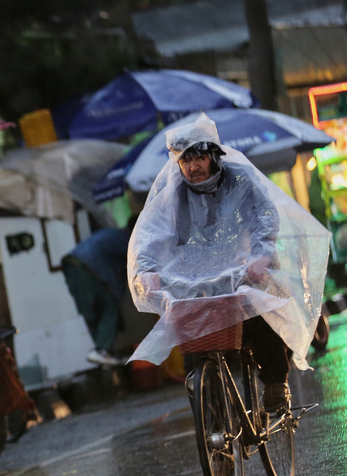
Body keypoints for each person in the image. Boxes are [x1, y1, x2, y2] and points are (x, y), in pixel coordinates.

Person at [127, 113, 330, 412]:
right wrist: (146, 270)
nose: (193, 167)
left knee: (261, 314)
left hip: (242, 270)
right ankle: (211, 417)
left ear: (213, 156)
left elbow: (265, 217)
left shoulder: (241, 180)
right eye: (185, 160)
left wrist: (261, 256)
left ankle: (275, 382)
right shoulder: (173, 195)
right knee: (193, 341)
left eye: (199, 158)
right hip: (194, 280)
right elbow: (151, 236)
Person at [62, 224, 131, 366]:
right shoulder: (128, 238)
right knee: (109, 307)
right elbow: (135, 262)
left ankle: (103, 352)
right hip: (88, 266)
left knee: (91, 312)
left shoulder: (110, 233)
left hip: (71, 265)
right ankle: (102, 350)